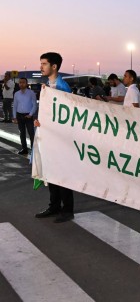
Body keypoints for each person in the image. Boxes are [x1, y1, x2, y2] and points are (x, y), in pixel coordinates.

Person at [34, 52, 75, 223]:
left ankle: (67, 209)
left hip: (61, 138)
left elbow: (67, 114)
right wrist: (39, 120)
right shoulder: (46, 87)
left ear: (54, 66)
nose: (41, 67)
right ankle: (54, 205)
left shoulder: (62, 87)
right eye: (41, 63)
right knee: (50, 173)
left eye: (44, 64)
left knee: (62, 174)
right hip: (48, 136)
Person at [12, 77, 37, 155]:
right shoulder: (16, 94)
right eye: (20, 82)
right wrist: (14, 117)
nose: (21, 84)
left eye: (23, 82)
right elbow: (15, 106)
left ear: (26, 84)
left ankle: (33, 150)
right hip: (19, 116)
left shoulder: (31, 93)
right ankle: (24, 149)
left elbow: (35, 105)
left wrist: (30, 114)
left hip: (28, 116)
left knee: (31, 133)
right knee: (21, 133)